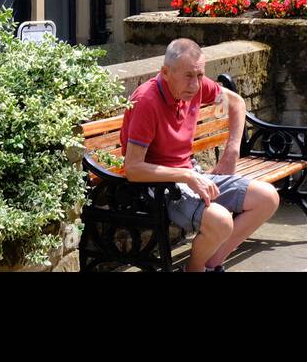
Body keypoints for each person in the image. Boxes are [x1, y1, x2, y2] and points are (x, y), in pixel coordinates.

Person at [120, 38, 281, 271]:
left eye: (199, 75)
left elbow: (235, 103)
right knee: (221, 221)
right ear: (165, 72)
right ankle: (195, 269)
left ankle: (212, 263)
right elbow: (133, 169)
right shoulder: (146, 101)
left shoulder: (194, 86)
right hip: (159, 187)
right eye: (188, 76)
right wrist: (187, 177)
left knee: (267, 198)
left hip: (190, 175)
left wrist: (231, 152)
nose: (195, 85)